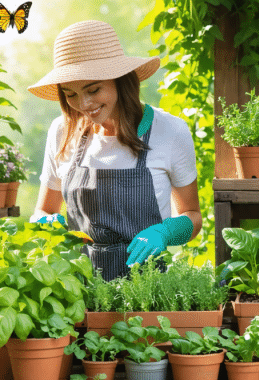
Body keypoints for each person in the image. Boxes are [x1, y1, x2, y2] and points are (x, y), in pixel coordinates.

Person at [27, 20, 201, 281]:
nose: (84, 104)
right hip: (75, 289)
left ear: (120, 80)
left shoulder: (171, 131)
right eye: (70, 94)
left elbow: (192, 215)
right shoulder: (61, 131)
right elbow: (43, 211)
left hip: (147, 290)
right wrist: (44, 221)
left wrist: (164, 232)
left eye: (93, 89)